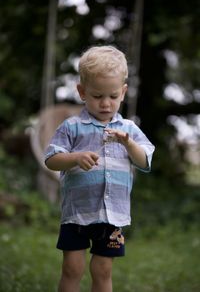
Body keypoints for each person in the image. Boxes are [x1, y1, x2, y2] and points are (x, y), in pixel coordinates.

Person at [44, 45, 155, 292]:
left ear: (123, 92)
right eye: (97, 96)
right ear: (82, 92)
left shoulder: (130, 129)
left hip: (112, 215)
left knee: (103, 269)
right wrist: (74, 157)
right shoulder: (71, 126)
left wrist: (128, 143)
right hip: (78, 212)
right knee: (72, 268)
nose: (105, 103)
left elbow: (144, 160)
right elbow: (51, 159)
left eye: (113, 96)